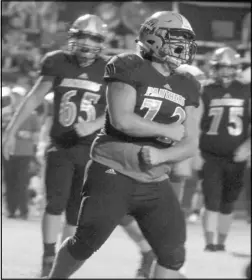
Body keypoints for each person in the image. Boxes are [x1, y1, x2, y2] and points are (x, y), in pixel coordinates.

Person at [48, 11, 201, 279]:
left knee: (173, 254)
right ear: (153, 39)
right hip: (113, 172)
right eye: (176, 39)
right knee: (86, 242)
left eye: (186, 41)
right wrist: (166, 131)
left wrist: (162, 154)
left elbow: (190, 143)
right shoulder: (129, 64)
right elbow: (122, 120)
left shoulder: (187, 82)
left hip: (154, 180)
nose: (182, 47)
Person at [3, 14, 109, 277]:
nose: (86, 43)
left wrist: (94, 124)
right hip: (60, 145)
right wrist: (10, 130)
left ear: (101, 41)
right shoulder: (57, 61)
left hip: (91, 149)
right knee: (54, 203)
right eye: (82, 36)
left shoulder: (110, 69)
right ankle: (48, 255)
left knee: (76, 210)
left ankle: (61, 259)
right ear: (72, 37)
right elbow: (34, 97)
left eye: (93, 38)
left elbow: (119, 110)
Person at [119, 63, 206, 278]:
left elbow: (189, 137)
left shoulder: (193, 102)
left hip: (170, 163)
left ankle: (169, 266)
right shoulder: (160, 92)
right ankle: (150, 253)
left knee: (165, 223)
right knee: (121, 212)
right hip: (145, 160)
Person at [198, 47, 251, 252]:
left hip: (237, 157)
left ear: (237, 68)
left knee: (228, 202)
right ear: (214, 68)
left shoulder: (246, 89)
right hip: (209, 155)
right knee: (211, 200)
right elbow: (195, 123)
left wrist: (247, 146)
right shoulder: (205, 89)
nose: (226, 72)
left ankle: (221, 242)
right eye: (222, 67)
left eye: (230, 68)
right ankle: (210, 243)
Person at [2, 86, 40, 219]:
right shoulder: (5, 112)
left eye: (18, 96)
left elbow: (36, 136)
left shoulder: (32, 115)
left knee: (22, 182)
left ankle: (23, 211)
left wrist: (27, 135)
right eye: (14, 95)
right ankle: (11, 210)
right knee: (9, 181)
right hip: (8, 151)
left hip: (24, 153)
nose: (16, 98)